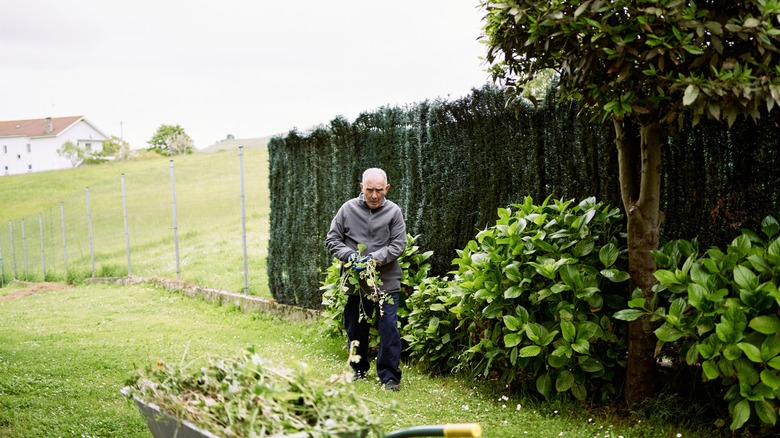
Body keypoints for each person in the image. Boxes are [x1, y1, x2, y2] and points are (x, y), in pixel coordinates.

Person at [325, 168, 407, 391]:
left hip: (386, 282)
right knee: (355, 327)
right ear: (361, 188)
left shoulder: (394, 212)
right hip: (356, 284)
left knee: (389, 327)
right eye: (369, 190)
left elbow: (398, 245)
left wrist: (374, 259)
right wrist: (349, 255)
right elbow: (332, 240)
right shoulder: (347, 209)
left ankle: (390, 377)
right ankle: (358, 368)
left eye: (379, 190)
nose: (373, 195)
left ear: (386, 189)